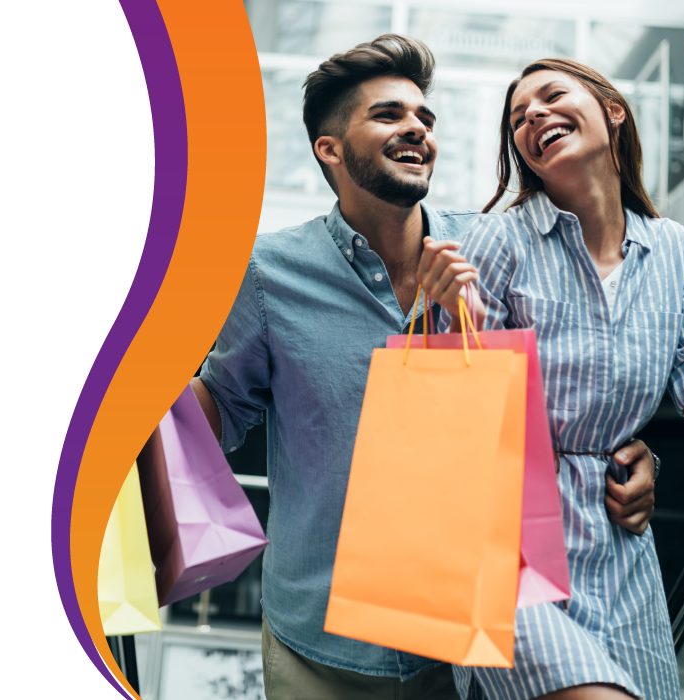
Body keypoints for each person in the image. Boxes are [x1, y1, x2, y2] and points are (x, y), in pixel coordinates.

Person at [191, 37, 659, 699]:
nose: (417, 128)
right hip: (321, 652)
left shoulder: (496, 248)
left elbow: (571, 396)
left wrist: (639, 457)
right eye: (388, 115)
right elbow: (218, 415)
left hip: (469, 640)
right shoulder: (270, 276)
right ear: (330, 149)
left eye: (425, 118)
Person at [418, 58, 684, 700]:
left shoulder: (674, 250)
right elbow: (455, 411)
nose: (534, 118)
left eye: (553, 96)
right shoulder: (501, 240)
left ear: (612, 110)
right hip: (506, 540)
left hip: (622, 550)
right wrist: (447, 317)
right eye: (519, 118)